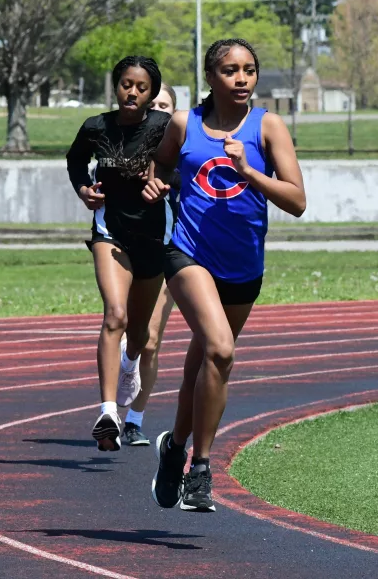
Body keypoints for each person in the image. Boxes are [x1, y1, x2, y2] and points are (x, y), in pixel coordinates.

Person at [142, 38, 306, 512]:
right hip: (188, 253)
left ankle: (174, 447)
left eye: (249, 70)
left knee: (203, 366)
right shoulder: (183, 123)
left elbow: (297, 201)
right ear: (210, 77)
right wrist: (155, 182)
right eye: (231, 70)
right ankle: (200, 469)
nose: (241, 79)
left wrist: (249, 171)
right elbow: (161, 165)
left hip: (243, 266)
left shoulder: (268, 126)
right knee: (220, 349)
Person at [66, 56, 172, 452]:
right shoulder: (96, 127)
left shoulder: (164, 127)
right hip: (110, 231)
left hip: (153, 236)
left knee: (140, 335)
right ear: (116, 86)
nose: (133, 92)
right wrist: (83, 189)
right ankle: (108, 412)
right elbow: (75, 160)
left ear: (151, 93)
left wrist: (163, 181)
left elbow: (186, 168)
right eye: (127, 84)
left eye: (142, 87)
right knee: (115, 315)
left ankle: (129, 364)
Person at [118, 83, 181, 447]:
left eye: (164, 105)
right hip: (127, 253)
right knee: (124, 327)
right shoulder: (124, 143)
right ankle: (111, 402)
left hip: (170, 253)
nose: (157, 109)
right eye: (152, 104)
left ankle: (134, 420)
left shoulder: (185, 150)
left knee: (151, 340)